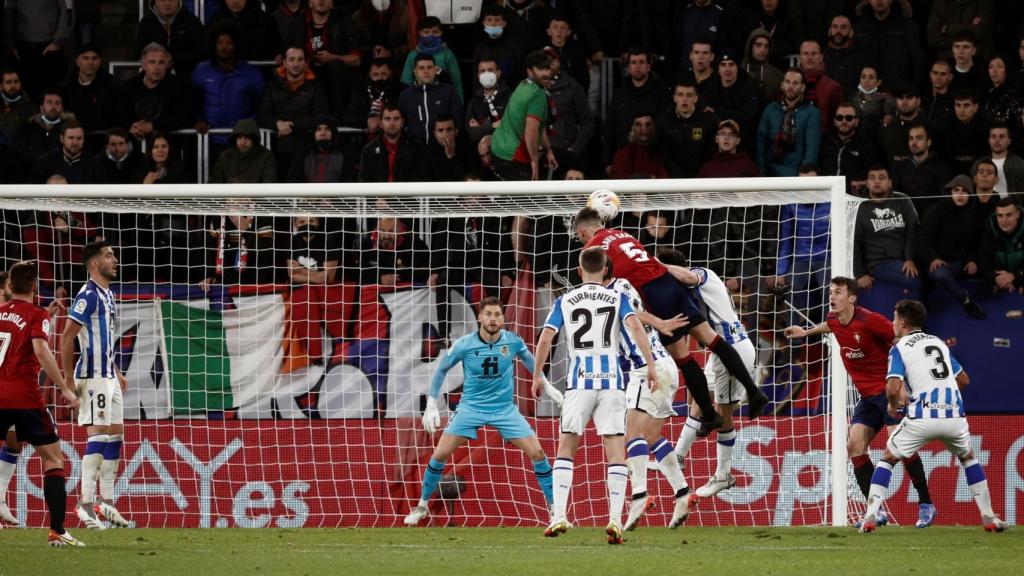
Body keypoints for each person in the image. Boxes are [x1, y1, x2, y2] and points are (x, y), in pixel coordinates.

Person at [573, 207, 770, 435]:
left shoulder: (591, 250)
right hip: (669, 282)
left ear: (581, 233)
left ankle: (708, 414)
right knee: (712, 339)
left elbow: (602, 285)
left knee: (683, 358)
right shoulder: (623, 233)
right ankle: (754, 391)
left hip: (653, 294)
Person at [783, 277, 937, 528]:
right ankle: (874, 511)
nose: (832, 296)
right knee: (854, 446)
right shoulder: (834, 318)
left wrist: (906, 382)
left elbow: (901, 341)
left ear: (852, 298)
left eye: (838, 292)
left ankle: (926, 504)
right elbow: (829, 326)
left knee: (901, 448)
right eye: (831, 291)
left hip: (889, 393)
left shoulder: (870, 320)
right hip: (867, 397)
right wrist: (806, 332)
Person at [532, 247, 657, 544]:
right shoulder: (617, 298)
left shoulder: (565, 300)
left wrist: (537, 375)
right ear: (605, 270)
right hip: (612, 382)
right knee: (615, 448)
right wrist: (650, 365)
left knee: (566, 447)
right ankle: (614, 520)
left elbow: (547, 336)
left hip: (579, 383)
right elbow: (636, 326)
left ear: (579, 269)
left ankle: (559, 514)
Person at [403, 297, 561, 527]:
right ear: (480, 318)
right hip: (471, 408)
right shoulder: (464, 344)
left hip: (504, 409)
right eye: (488, 314)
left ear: (503, 318)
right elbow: (441, 369)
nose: (493, 319)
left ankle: (555, 510)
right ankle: (422, 506)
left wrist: (546, 385)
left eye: (497, 314)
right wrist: (431, 403)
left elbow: (531, 362)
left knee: (538, 454)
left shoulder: (513, 341)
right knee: (439, 455)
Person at [860, 300, 1006, 533]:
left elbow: (893, 386)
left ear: (903, 323)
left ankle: (870, 516)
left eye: (895, 318)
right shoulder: (938, 342)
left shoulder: (899, 347)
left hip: (922, 416)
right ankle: (988, 517)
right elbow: (964, 380)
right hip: (953, 416)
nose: (893, 323)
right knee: (968, 457)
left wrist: (891, 405)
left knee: (888, 458)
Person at [657, 249, 757, 500]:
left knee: (724, 414)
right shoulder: (684, 292)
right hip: (719, 351)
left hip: (734, 348)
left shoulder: (702, 274)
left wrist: (658, 265)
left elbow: (689, 278)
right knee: (696, 400)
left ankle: (723, 475)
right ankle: (677, 457)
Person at [0, 261, 83, 545]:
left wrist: (41, 316)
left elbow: (14, 332)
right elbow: (39, 347)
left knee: (12, 443)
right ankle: (57, 531)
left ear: (9, 287)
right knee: (53, 459)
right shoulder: (37, 316)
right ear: (34, 287)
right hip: (23, 398)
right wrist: (65, 389)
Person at [603, 269, 692, 532]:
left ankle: (639, 495)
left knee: (631, 433)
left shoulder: (611, 296)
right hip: (666, 366)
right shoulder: (626, 284)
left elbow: (632, 316)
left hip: (647, 368)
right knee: (652, 435)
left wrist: (661, 324)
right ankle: (683, 492)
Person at [60, 242, 132, 530]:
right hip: (92, 377)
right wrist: (66, 381)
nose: (115, 259)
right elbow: (67, 337)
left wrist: (117, 371)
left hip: (109, 376)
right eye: (108, 255)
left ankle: (107, 502)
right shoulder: (87, 296)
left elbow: (104, 339)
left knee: (116, 436)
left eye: (114, 254)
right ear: (93, 264)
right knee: (99, 435)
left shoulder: (109, 294)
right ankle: (84, 504)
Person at [916, 175, 985, 319]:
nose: (960, 194)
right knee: (939, 274)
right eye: (956, 190)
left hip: (960, 263)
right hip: (939, 262)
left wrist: (971, 260)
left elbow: (975, 244)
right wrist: (933, 258)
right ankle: (965, 300)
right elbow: (923, 240)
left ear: (970, 194)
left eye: (964, 191)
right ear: (950, 192)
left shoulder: (973, 215)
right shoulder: (935, 211)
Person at [258, 46, 329, 179]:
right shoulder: (273, 86)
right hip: (278, 149)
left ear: (305, 62)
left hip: (308, 149)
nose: (296, 64)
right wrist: (277, 123)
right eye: (291, 59)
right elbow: (262, 115)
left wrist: (292, 126)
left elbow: (321, 116)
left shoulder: (316, 87)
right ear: (284, 62)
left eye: (300, 59)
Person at [853, 165, 920, 298]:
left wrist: (909, 259)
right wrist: (859, 274)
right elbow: (853, 242)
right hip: (877, 263)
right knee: (914, 281)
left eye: (881, 178)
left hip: (903, 260)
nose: (877, 181)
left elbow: (913, 231)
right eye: (872, 178)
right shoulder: (860, 207)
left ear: (889, 182)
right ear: (867, 183)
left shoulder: (903, 200)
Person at [490, 49, 557, 181]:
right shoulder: (537, 95)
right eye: (541, 69)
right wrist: (534, 161)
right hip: (512, 157)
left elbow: (538, 128)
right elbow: (531, 132)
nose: (546, 73)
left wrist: (548, 150)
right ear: (530, 72)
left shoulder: (524, 84)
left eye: (548, 68)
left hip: (499, 150)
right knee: (523, 200)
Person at [756, 69, 821, 177]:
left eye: (795, 83)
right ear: (782, 85)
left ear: (803, 87)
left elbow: (812, 147)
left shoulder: (812, 113)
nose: (790, 86)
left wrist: (805, 173)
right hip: (770, 172)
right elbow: (761, 144)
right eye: (787, 82)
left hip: (798, 172)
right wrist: (760, 173)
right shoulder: (770, 109)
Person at [397, 53, 463, 146]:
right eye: (421, 68)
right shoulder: (406, 95)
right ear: (415, 71)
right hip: (415, 151)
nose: (426, 71)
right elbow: (401, 123)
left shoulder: (448, 91)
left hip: (443, 148)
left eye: (429, 67)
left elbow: (457, 121)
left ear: (435, 70)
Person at [658, 79, 719, 179]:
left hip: (702, 179)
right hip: (673, 180)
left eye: (689, 95)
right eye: (680, 95)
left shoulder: (709, 120)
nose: (684, 99)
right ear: (674, 98)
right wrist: (678, 178)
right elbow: (664, 155)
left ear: (696, 98)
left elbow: (712, 153)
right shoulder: (663, 121)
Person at [134, 0, 206, 79]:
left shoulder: (192, 22)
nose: (167, 3)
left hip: (186, 81)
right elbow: (139, 52)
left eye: (171, 0)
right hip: (154, 81)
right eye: (162, 0)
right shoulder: (146, 23)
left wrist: (174, 59)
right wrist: (159, 59)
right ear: (155, 2)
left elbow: (201, 53)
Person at [400, 16, 463, 103]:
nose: (430, 35)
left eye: (435, 32)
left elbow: (456, 82)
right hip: (418, 100)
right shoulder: (413, 56)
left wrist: (459, 104)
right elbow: (406, 82)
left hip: (443, 99)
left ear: (441, 32)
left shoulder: (447, 54)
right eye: (426, 32)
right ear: (420, 33)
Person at [978, 198, 1024, 294]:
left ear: (1018, 214)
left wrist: (1015, 277)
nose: (1004, 220)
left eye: (1009, 215)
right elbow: (984, 262)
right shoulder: (990, 229)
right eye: (1000, 216)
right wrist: (998, 280)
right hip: (1001, 284)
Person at [210, 118, 277, 184]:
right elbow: (214, 184)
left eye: (247, 138)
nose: (243, 142)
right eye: (239, 138)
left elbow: (269, 185)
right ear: (235, 139)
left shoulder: (266, 156)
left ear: (253, 139)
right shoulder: (225, 156)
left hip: (256, 194)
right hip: (228, 194)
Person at [610, 113, 669, 179]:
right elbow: (617, 179)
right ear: (632, 128)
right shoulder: (622, 154)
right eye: (638, 124)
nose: (643, 128)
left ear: (653, 127)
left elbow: (666, 179)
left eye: (648, 124)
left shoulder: (661, 153)